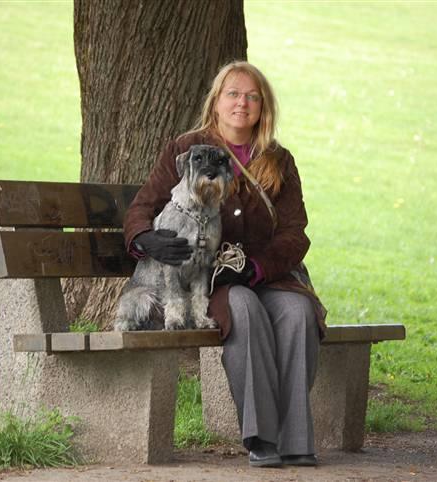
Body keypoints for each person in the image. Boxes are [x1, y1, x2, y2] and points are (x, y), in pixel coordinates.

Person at [123, 60, 327, 468]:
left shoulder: (278, 160)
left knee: (299, 312)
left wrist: (257, 268)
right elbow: (141, 207)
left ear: (263, 107)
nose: (242, 103)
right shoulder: (185, 149)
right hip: (211, 280)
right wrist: (146, 239)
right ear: (216, 101)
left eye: (253, 96)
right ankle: (262, 438)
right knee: (243, 310)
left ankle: (297, 440)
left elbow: (295, 232)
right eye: (233, 94)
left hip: (266, 276)